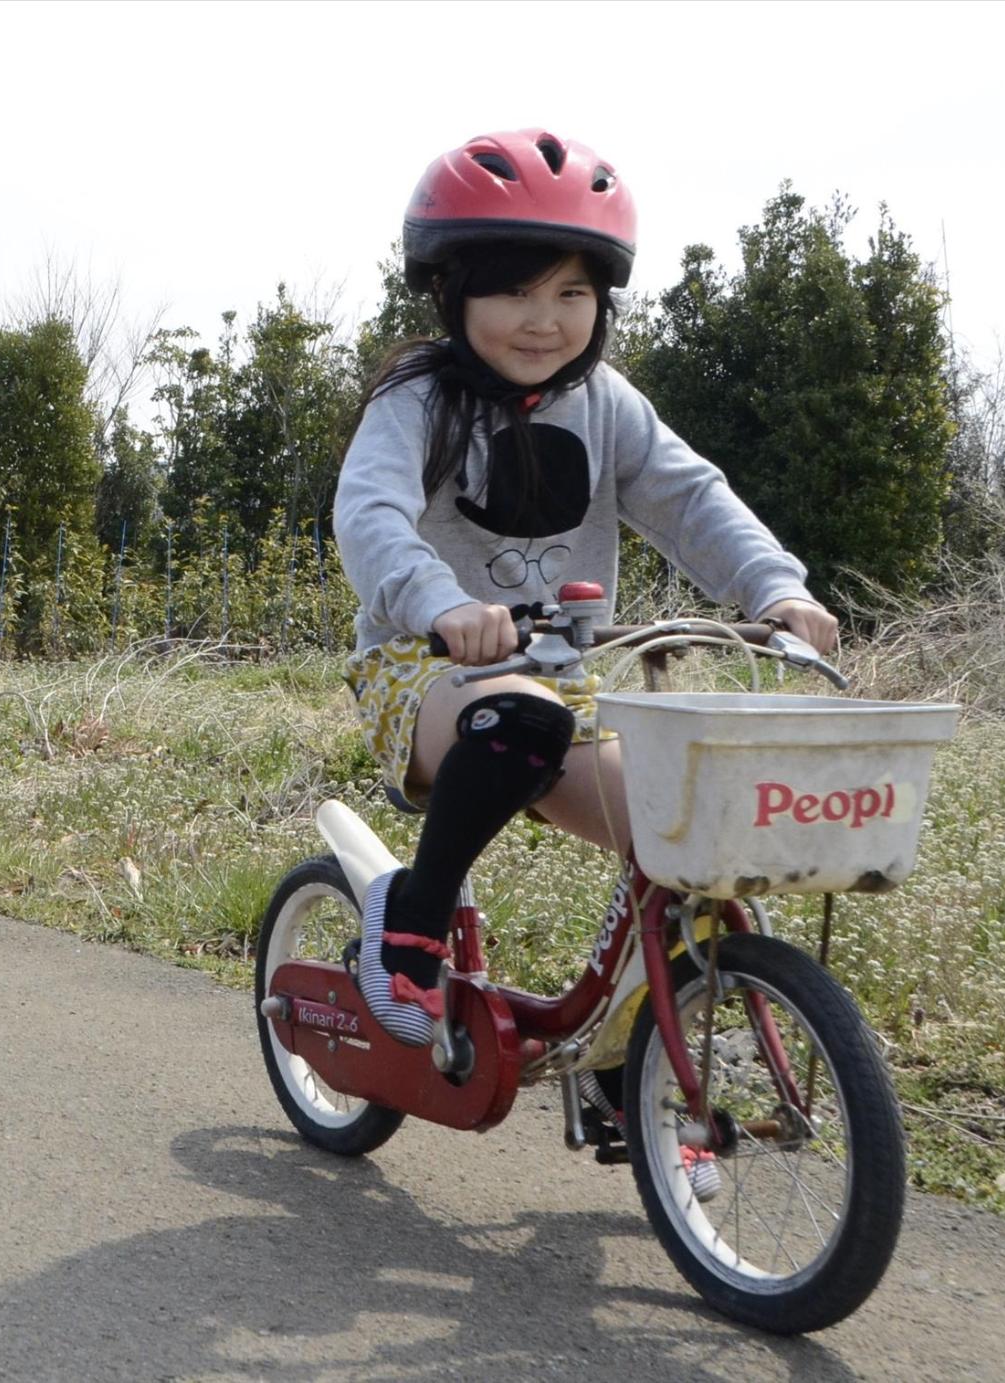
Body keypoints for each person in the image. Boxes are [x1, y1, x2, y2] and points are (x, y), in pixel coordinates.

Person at [334, 128, 840, 1051]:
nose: (544, 319)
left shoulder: (608, 404)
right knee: (518, 719)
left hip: (569, 684)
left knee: (688, 820)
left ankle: (631, 1056)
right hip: (427, 669)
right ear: (452, 292)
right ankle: (410, 919)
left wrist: (774, 588)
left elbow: (693, 500)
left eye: (572, 292)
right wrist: (442, 605)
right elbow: (370, 516)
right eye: (516, 290)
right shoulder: (415, 401)